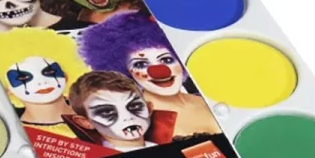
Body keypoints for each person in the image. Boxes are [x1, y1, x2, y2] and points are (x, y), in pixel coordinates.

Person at [78, 12, 221, 137]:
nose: (159, 70)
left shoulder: (206, 97)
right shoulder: (140, 123)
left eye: (166, 60)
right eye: (140, 64)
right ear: (125, 71)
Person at [0, 28, 88, 137]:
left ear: (66, 75)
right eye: (23, 77)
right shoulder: (14, 135)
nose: (41, 82)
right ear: (7, 88)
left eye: (49, 71)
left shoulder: (95, 118)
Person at [67, 71, 177, 153]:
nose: (128, 117)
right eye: (107, 112)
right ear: (85, 122)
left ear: (148, 109)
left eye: (134, 106)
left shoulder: (174, 147)